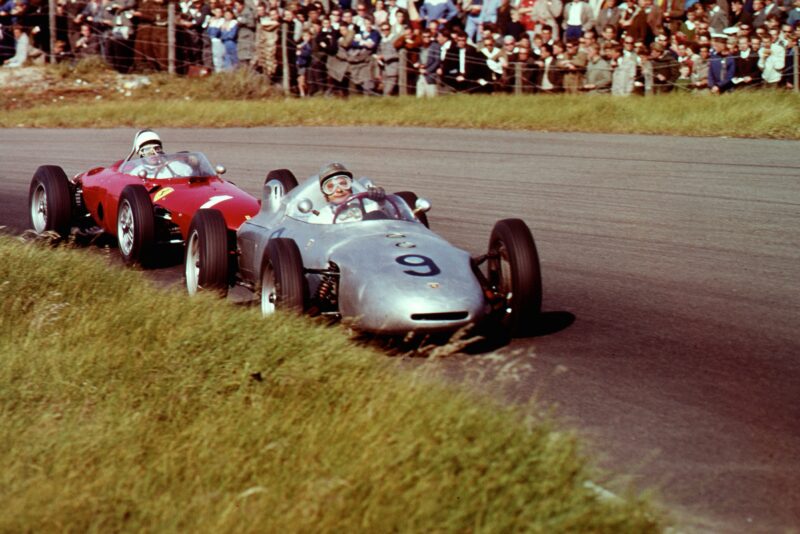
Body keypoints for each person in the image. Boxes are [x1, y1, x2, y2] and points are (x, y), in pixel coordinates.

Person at [124, 129, 193, 178]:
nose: (153, 153)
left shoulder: (177, 167)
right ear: (140, 152)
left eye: (156, 148)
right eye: (147, 149)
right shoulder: (135, 173)